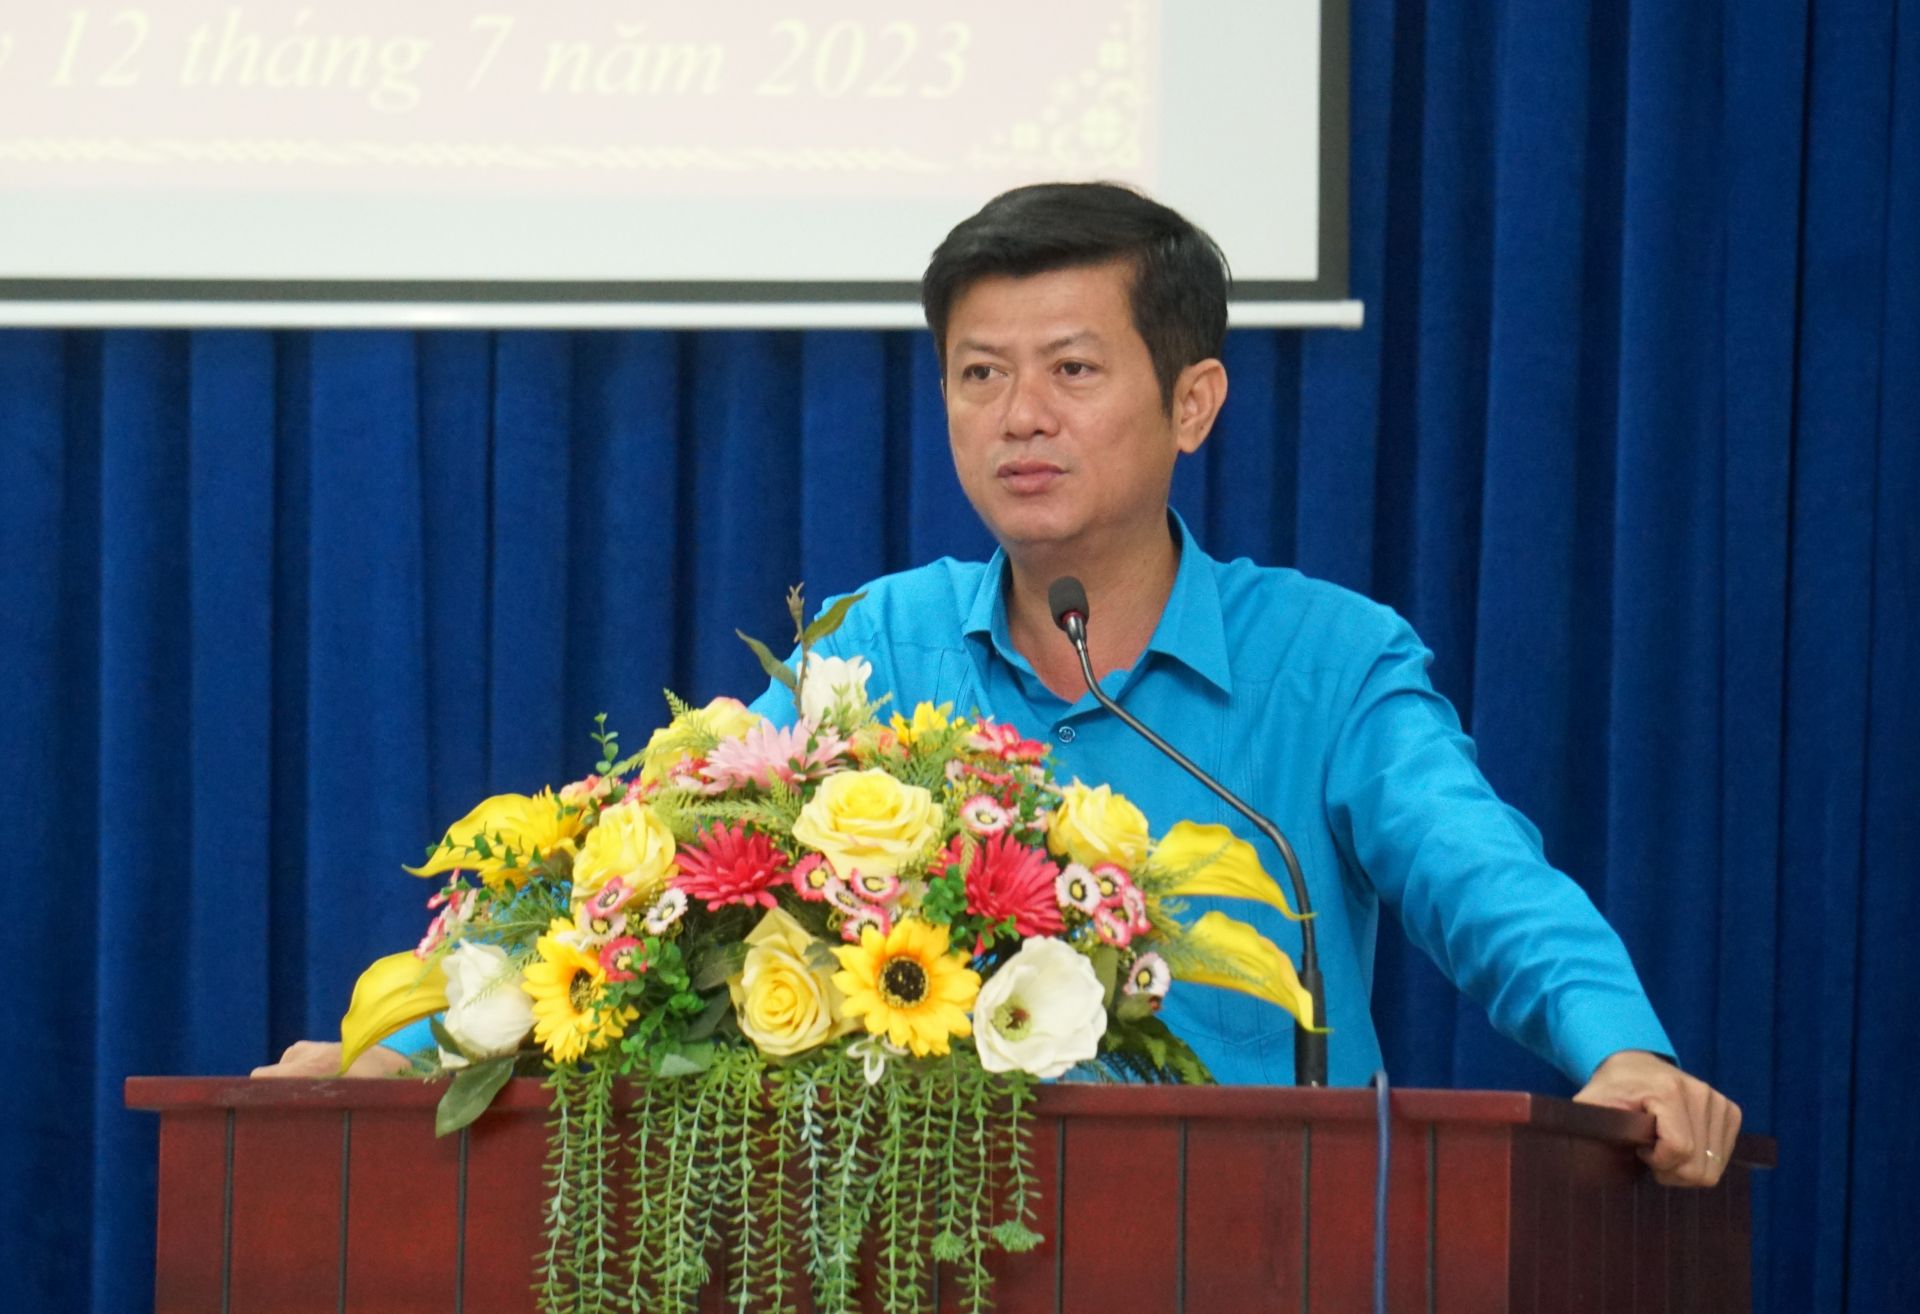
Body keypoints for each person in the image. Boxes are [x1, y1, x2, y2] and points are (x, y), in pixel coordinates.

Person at [260, 182, 1739, 1190]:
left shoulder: (1328, 661)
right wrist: (397, 1047)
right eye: (979, 374)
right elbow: (643, 881)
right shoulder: (876, 647)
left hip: (1260, 1242)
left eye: (1073, 370)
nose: (1020, 415)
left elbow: (1483, 876)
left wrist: (1619, 1049)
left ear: (1194, 402)